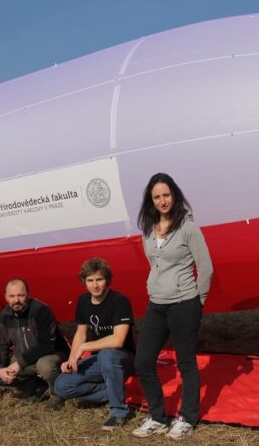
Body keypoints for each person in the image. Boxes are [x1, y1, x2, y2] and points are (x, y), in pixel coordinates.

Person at [132, 173, 214, 440]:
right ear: (151, 200)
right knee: (143, 361)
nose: (162, 201)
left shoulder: (188, 228)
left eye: (166, 195)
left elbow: (206, 268)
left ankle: (187, 418)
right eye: (157, 197)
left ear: (174, 195)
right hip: (156, 304)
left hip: (183, 304)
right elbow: (155, 265)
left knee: (186, 363)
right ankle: (157, 417)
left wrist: (197, 303)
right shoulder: (148, 229)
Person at [54, 258, 135, 431]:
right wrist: (72, 359)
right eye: (90, 280)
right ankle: (110, 392)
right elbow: (81, 333)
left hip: (123, 358)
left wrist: (84, 347)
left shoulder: (120, 301)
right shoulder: (83, 300)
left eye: (99, 279)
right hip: (99, 360)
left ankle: (119, 412)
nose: (95, 285)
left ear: (107, 280)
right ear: (84, 281)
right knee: (61, 385)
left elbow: (118, 340)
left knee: (107, 354)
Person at [0, 278, 69, 409]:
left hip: (50, 355)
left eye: (20, 295)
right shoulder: (2, 317)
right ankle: (36, 387)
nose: (16, 300)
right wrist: (0, 368)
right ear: (6, 297)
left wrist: (19, 363)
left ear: (28, 295)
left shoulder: (41, 311)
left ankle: (58, 396)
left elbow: (47, 345)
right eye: (12, 296)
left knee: (45, 366)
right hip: (24, 360)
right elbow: (0, 346)